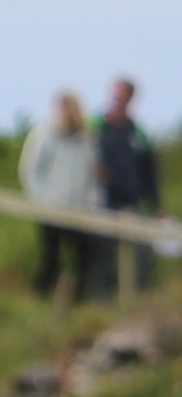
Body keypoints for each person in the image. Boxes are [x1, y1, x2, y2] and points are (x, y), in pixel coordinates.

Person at [20, 89, 92, 302]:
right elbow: (30, 170)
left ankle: (76, 302)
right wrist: (41, 200)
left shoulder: (86, 139)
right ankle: (38, 298)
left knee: (82, 259)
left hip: (79, 209)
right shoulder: (44, 135)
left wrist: (89, 202)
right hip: (50, 208)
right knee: (51, 258)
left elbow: (91, 174)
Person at [92, 79, 156, 280]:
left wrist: (156, 204)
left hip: (130, 200)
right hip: (101, 199)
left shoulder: (138, 132)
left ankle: (138, 292)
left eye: (123, 97)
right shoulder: (96, 126)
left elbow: (149, 172)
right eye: (115, 96)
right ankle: (101, 296)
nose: (118, 101)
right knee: (102, 251)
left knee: (140, 249)